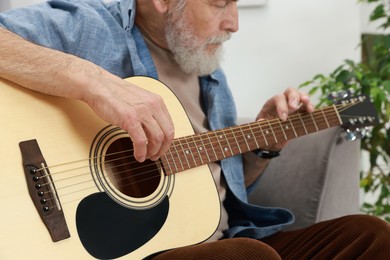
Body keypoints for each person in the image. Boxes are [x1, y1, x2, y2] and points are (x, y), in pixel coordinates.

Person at [0, 0, 389, 259]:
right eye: (220, 2)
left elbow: (218, 186)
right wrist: (95, 83)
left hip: (223, 242)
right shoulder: (89, 28)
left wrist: (263, 146)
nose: (234, 23)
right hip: (147, 249)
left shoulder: (208, 70)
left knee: (371, 236)